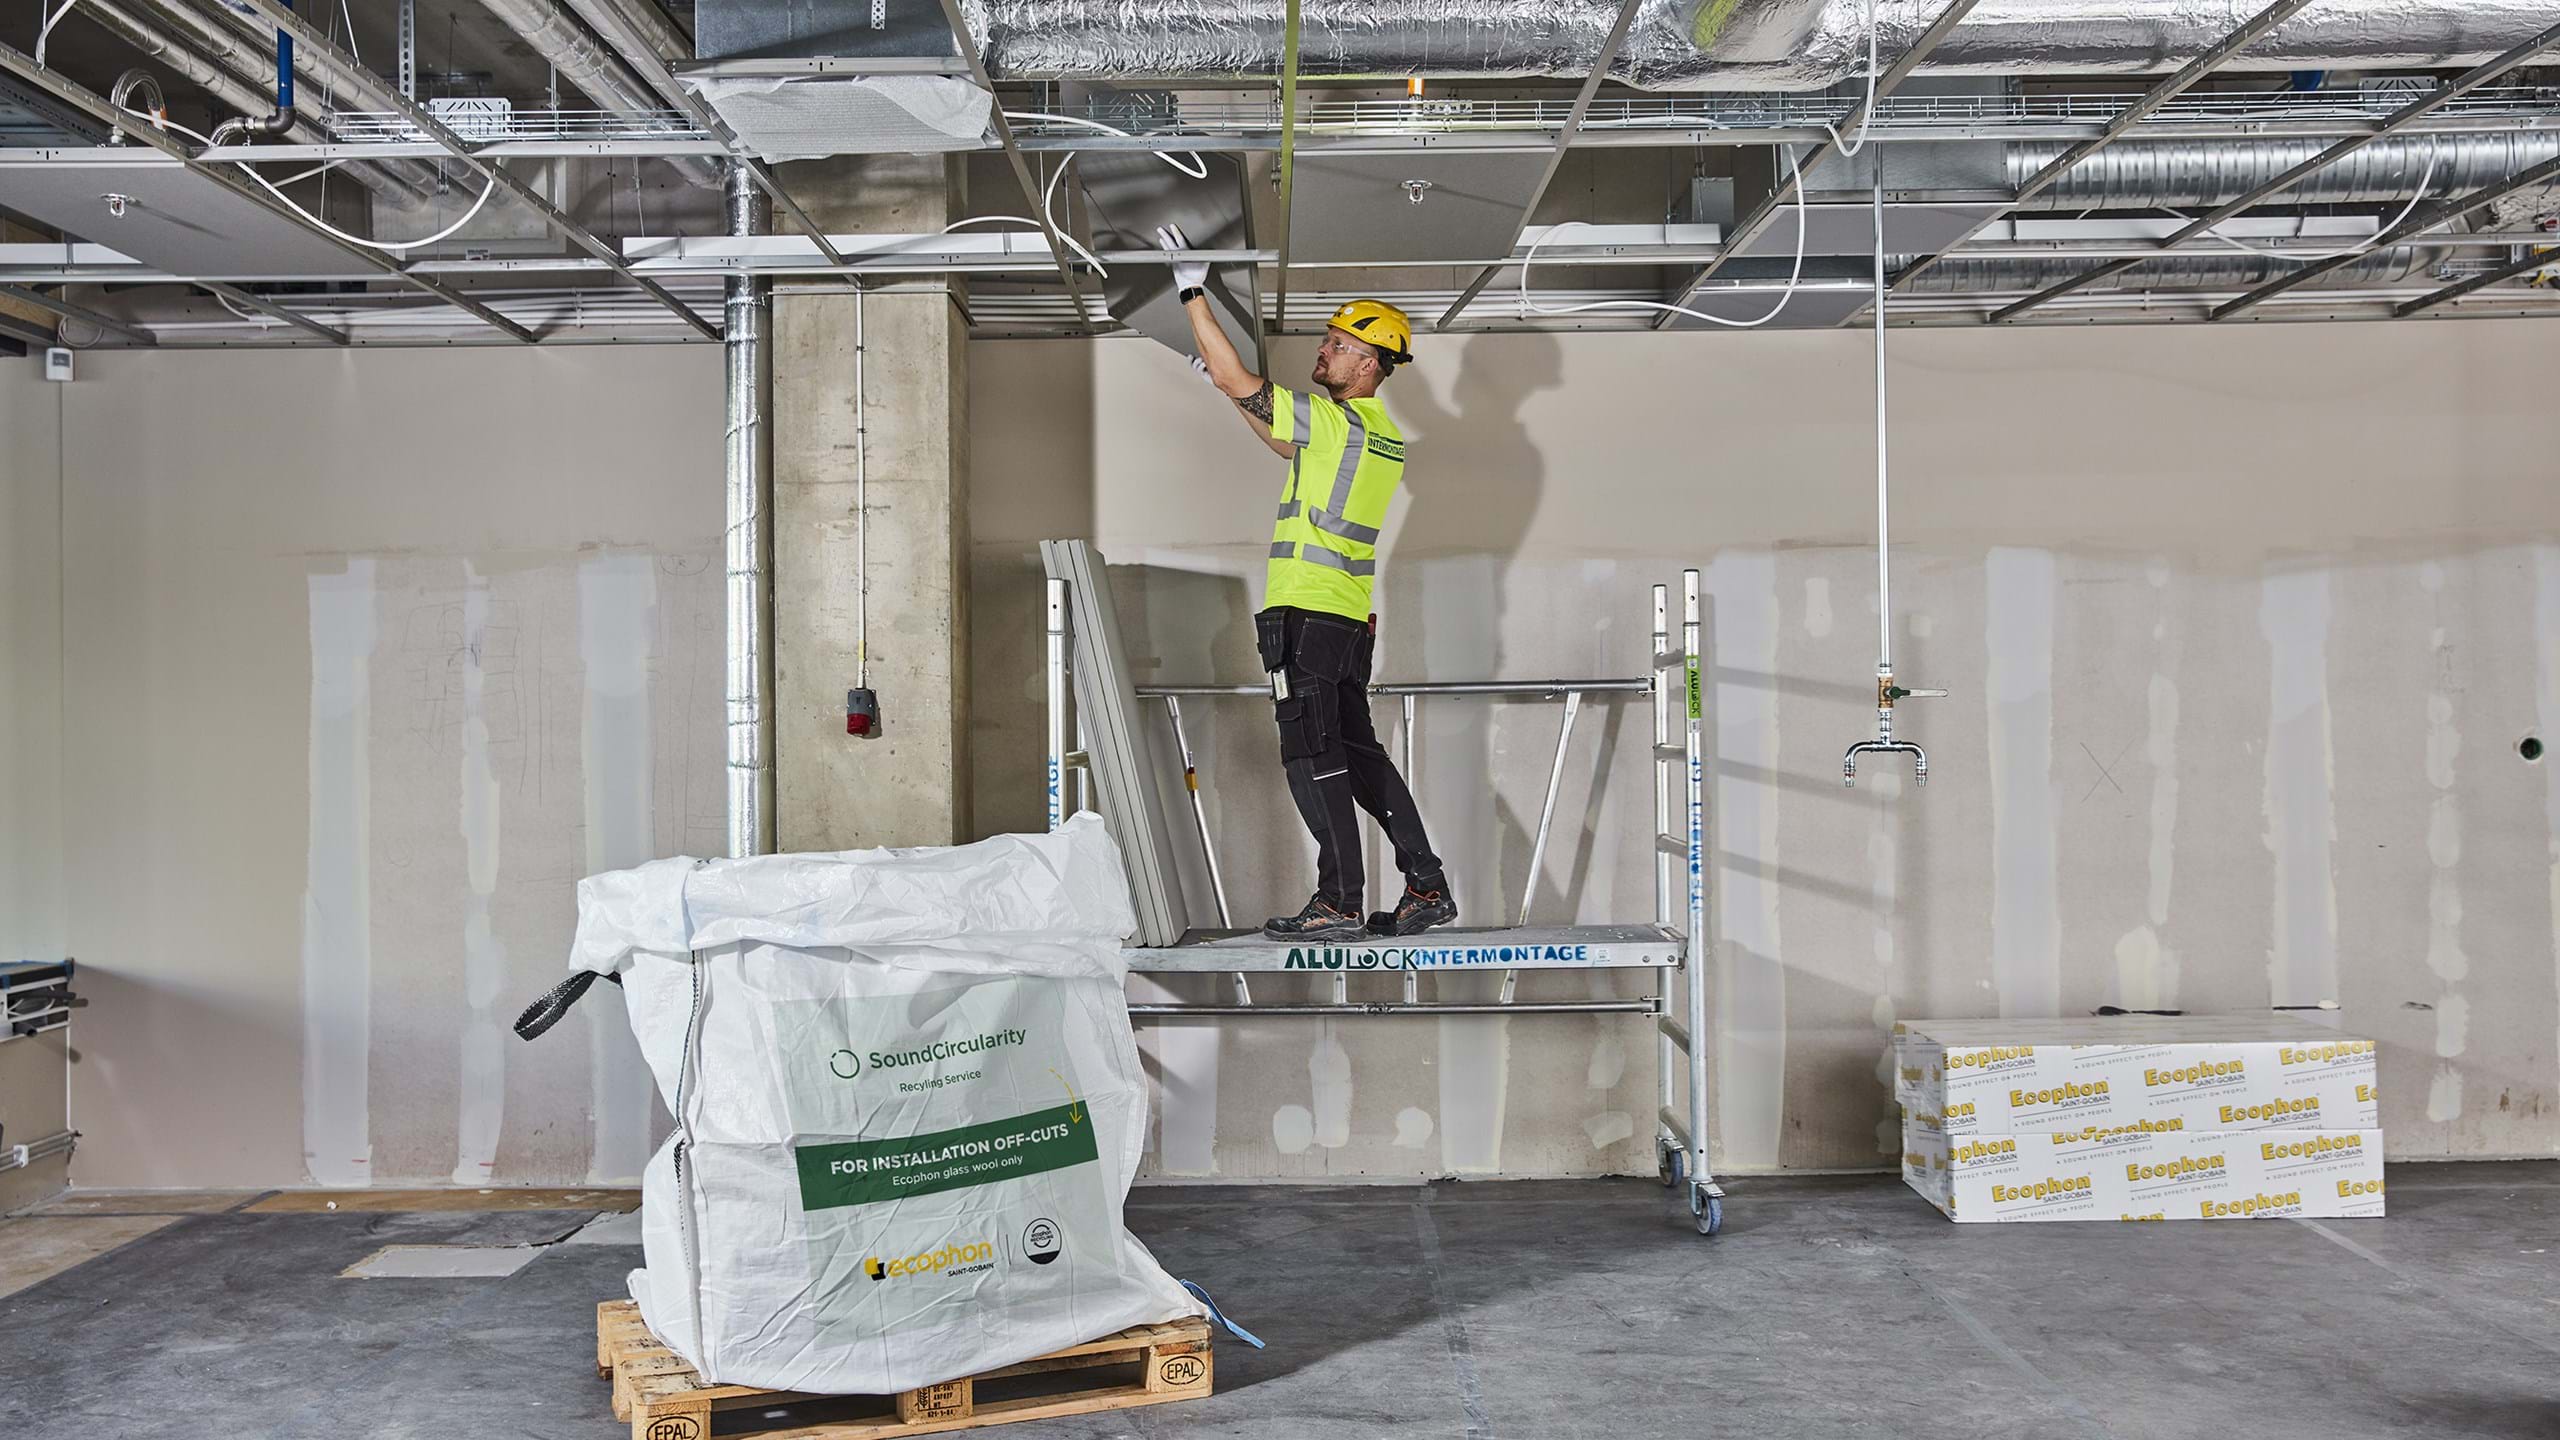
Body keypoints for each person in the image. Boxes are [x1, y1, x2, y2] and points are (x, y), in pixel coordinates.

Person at [1156, 223, 1456, 942]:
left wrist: (1192, 292)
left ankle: (1339, 902)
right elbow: (1283, 439)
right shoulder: (1371, 433)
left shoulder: (1339, 422)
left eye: (1338, 345)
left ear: (1371, 363)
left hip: (1311, 618)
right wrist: (1228, 393)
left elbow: (1244, 383)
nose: (1324, 351)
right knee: (1358, 758)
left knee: (1310, 756)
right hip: (1344, 622)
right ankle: (1426, 887)